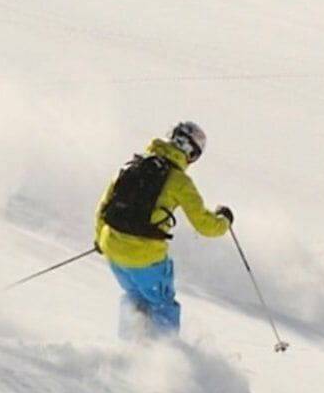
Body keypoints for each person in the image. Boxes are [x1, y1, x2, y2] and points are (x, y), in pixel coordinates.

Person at [95, 119, 234, 335]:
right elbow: (205, 225)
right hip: (146, 257)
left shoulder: (132, 165)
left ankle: (127, 347)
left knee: (134, 297)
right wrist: (224, 221)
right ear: (192, 154)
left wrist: (101, 241)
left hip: (112, 248)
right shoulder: (179, 182)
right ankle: (165, 357)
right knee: (163, 304)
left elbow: (104, 206)